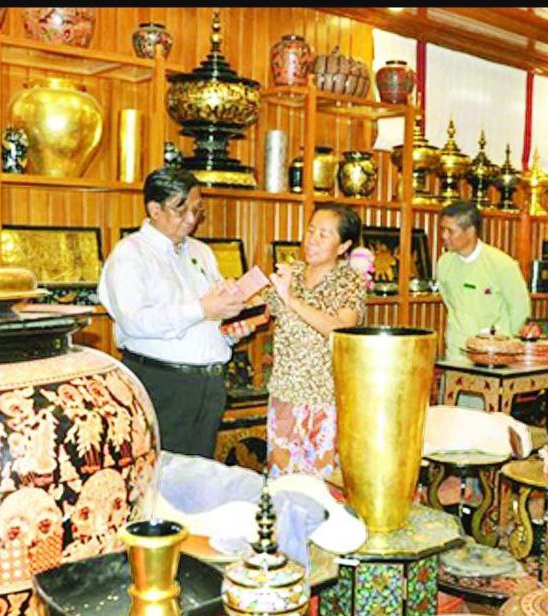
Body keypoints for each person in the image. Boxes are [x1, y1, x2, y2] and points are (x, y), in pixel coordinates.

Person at [98, 167, 253, 458]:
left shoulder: (201, 252)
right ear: (154, 209)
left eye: (197, 210)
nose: (191, 219)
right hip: (163, 383)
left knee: (199, 471)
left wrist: (228, 332)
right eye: (181, 210)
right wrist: (202, 308)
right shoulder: (130, 253)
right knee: (162, 473)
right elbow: (134, 321)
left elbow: (207, 317)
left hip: (209, 385)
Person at [265, 204, 367, 479]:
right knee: (281, 484)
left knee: (322, 487)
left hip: (326, 402)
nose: (312, 240)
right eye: (311, 231)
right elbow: (259, 313)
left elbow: (341, 330)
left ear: (343, 246)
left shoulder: (350, 282)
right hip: (284, 396)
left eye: (324, 234)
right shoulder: (291, 273)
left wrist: (292, 300)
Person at [436, 200, 531, 360]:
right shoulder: (444, 263)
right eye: (442, 229)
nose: (444, 236)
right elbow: (449, 301)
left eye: (450, 231)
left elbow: (520, 309)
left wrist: (504, 344)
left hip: (493, 356)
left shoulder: (502, 264)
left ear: (470, 231)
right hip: (457, 354)